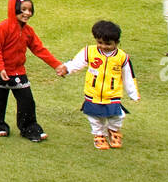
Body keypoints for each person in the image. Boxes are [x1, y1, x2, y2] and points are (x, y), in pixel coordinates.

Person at [0, 0, 62, 141]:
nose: (27, 13)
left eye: (30, 10)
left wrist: (57, 65)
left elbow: (39, 49)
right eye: (23, 9)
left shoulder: (28, 31)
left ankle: (29, 128)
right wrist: (0, 68)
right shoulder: (3, 28)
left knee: (27, 101)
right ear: (13, 9)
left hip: (18, 72)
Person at [56, 20, 140, 150]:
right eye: (100, 42)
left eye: (108, 44)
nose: (103, 46)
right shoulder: (89, 52)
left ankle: (113, 131)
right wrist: (66, 68)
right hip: (93, 92)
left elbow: (128, 76)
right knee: (94, 117)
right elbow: (76, 63)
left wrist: (133, 93)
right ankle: (99, 135)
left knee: (117, 115)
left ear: (116, 43)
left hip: (113, 94)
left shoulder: (122, 57)